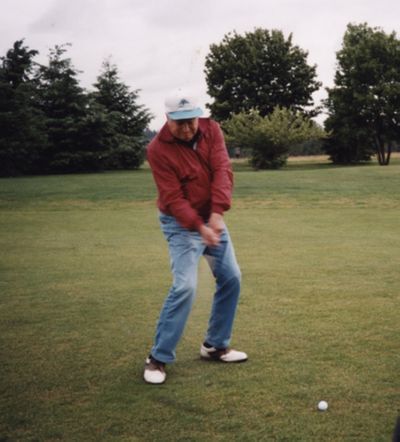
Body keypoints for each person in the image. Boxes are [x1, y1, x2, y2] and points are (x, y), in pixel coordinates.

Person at [144, 87, 247, 384]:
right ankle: (157, 358)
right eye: (181, 122)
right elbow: (173, 199)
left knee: (231, 277)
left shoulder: (212, 130)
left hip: (211, 218)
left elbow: (222, 170)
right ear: (167, 118)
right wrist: (199, 227)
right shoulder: (157, 150)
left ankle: (215, 345)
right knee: (185, 286)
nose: (188, 128)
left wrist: (217, 214)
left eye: (192, 120)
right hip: (179, 223)